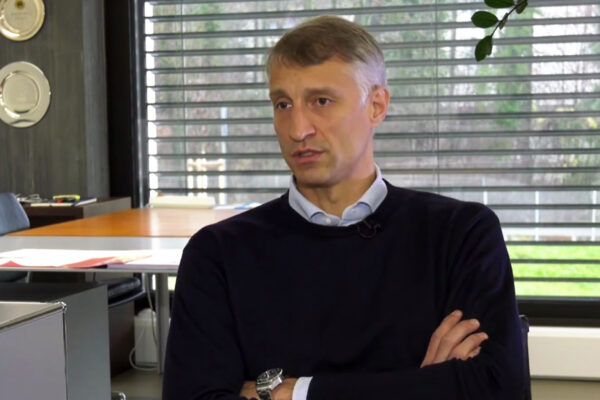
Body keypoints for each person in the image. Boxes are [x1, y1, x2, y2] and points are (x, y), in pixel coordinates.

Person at [163, 15, 524, 400]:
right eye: (283, 104)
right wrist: (421, 386)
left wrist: (293, 392)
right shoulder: (218, 253)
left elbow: (497, 389)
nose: (297, 129)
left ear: (377, 106)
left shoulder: (461, 234)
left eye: (321, 101)